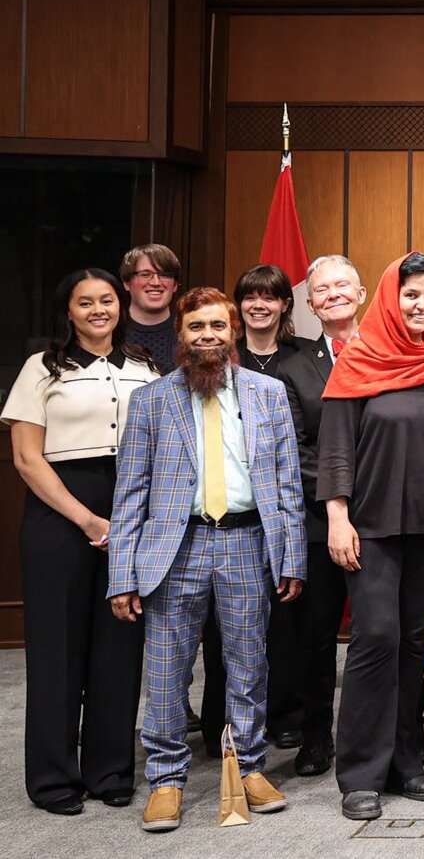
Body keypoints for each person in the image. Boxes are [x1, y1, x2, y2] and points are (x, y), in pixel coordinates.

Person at [107, 287, 306, 831]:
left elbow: (288, 485)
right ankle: (166, 780)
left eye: (218, 326)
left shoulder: (268, 394)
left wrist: (291, 559)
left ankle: (248, 768)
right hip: (175, 550)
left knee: (248, 665)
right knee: (168, 671)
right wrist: (122, 573)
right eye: (197, 327)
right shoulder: (151, 401)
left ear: (234, 331)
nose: (208, 336)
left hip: (247, 543)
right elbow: (129, 495)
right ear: (181, 335)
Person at [319, 253, 424, 821]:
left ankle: (407, 760)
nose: (421, 304)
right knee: (375, 638)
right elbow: (336, 447)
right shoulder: (360, 358)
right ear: (390, 295)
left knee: (412, 642)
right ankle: (360, 771)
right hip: (371, 525)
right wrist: (338, 517)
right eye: (411, 293)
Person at [4, 269, 159, 815]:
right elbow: (26, 458)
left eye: (107, 300)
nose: (98, 309)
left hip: (133, 507)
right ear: (67, 311)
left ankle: (111, 770)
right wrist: (89, 521)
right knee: (58, 651)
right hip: (60, 513)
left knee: (120, 645)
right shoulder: (42, 368)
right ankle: (52, 780)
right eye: (85, 302)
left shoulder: (146, 366)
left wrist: (134, 521)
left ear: (121, 306)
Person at [273, 254, 366, 778]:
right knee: (315, 635)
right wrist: (339, 505)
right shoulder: (293, 366)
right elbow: (298, 450)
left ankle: (401, 730)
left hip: (380, 518)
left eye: (342, 286)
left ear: (361, 293)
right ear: (309, 304)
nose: (332, 294)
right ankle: (314, 735)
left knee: (384, 632)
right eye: (322, 289)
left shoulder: (385, 354)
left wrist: (364, 501)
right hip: (315, 521)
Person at [231, 263, 316, 752]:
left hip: (293, 505)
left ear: (286, 304)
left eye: (270, 297)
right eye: (250, 296)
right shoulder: (224, 358)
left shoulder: (302, 357)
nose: (259, 304)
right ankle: (230, 717)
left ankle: (287, 711)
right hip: (237, 509)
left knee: (288, 618)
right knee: (233, 620)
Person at [120, 243, 181, 373]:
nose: (155, 282)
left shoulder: (188, 332)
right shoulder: (111, 331)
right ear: (126, 282)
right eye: (145, 274)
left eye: (164, 274)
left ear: (175, 285)